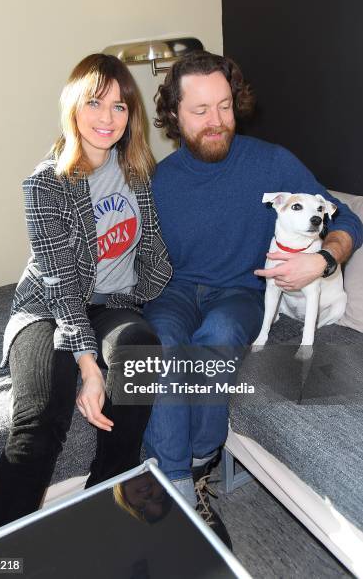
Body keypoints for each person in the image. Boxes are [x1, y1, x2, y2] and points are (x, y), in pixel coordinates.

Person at [142, 51, 363, 537]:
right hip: (173, 291)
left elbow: (346, 219)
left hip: (239, 291)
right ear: (174, 115)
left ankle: (198, 463)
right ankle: (177, 487)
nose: (216, 121)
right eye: (200, 111)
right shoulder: (161, 178)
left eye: (224, 106)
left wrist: (323, 259)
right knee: (157, 347)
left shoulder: (271, 162)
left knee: (217, 336)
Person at [0, 54, 172, 536]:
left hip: (112, 304)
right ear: (73, 107)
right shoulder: (45, 184)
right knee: (41, 415)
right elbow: (62, 284)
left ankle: (105, 506)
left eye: (120, 106)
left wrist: (155, 285)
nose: (108, 118)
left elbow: (150, 248)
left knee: (140, 352)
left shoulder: (138, 173)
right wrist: (88, 367)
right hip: (48, 306)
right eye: (95, 103)